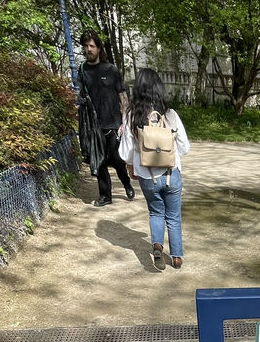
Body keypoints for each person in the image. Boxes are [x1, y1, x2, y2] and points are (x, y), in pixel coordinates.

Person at [119, 68, 190, 270]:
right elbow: (185, 147)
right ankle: (176, 257)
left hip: (147, 176)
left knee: (156, 212)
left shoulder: (131, 116)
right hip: (171, 173)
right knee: (173, 216)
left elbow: (125, 152)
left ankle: (157, 246)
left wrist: (132, 166)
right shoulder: (170, 115)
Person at [78, 30, 135, 207]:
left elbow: (122, 96)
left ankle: (126, 183)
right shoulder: (82, 70)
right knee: (99, 161)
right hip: (94, 126)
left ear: (99, 48)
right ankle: (105, 195)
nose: (88, 49)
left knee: (118, 161)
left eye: (92, 46)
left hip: (113, 123)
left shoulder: (111, 70)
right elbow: (81, 96)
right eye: (86, 46)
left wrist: (124, 121)